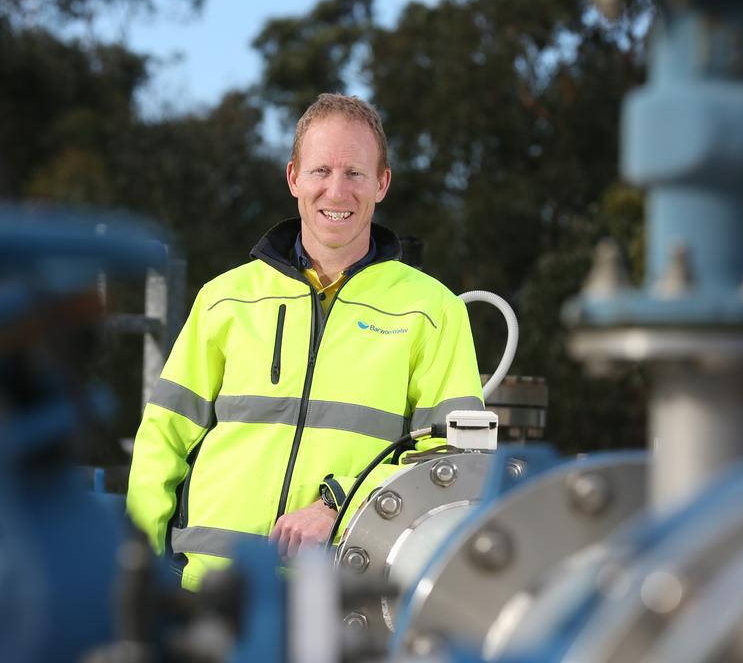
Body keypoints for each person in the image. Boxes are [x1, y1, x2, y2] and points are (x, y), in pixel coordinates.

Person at [127, 93, 483, 590]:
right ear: (294, 177)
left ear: (381, 183)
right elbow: (162, 439)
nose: (336, 192)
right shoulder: (224, 298)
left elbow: (452, 460)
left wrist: (340, 503)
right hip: (208, 596)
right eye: (320, 171)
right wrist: (138, 574)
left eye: (355, 174)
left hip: (345, 603)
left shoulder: (433, 309)